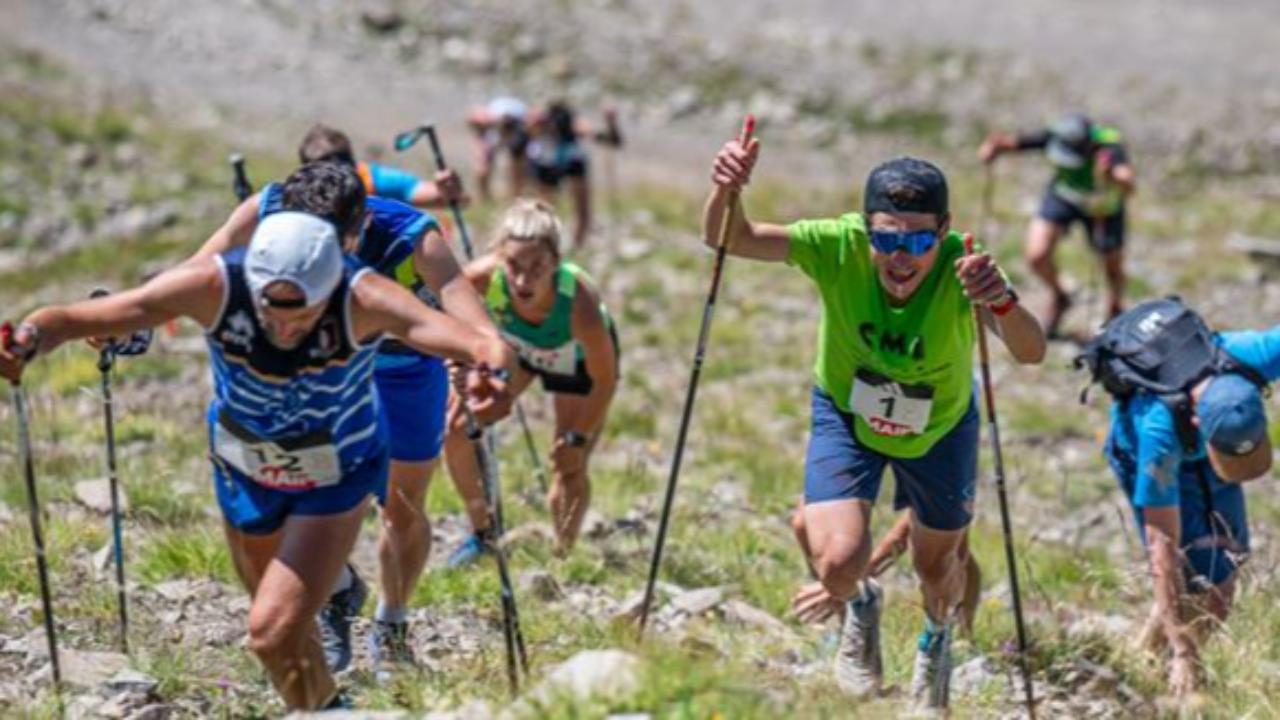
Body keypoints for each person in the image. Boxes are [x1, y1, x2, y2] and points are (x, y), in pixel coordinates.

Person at [0, 212, 510, 712]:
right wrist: (27, 340)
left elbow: (473, 338)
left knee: (269, 632)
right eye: (273, 307)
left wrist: (492, 376)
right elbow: (70, 319)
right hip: (245, 471)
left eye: (305, 310)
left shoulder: (365, 293)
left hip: (334, 473)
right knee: (287, 645)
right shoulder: (214, 285)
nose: (287, 325)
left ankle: (371, 636)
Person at [704, 141, 1046, 710]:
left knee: (937, 565)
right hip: (847, 414)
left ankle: (935, 642)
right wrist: (726, 187)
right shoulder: (835, 245)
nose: (900, 257)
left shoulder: (967, 268)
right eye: (885, 238)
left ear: (944, 232)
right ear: (865, 229)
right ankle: (860, 603)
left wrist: (1003, 302)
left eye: (917, 241)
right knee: (838, 565)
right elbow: (730, 237)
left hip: (939, 429)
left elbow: (1031, 353)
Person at [193, 161, 514, 678]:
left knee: (402, 507)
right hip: (323, 371)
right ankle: (337, 594)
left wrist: (489, 367)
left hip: (401, 370)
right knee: (294, 493)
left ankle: (392, 624)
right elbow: (196, 271)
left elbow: (470, 314)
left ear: (357, 229)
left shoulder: (412, 237)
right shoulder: (266, 211)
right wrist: (129, 331)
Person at [1082, 298, 1280, 697]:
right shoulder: (1158, 434)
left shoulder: (1255, 354)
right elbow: (1162, 549)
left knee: (1218, 582)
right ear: (1197, 423)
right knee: (1198, 583)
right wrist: (1185, 654)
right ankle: (1165, 669)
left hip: (1203, 449)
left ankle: (1139, 663)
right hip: (1140, 455)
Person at [445, 199, 619, 563]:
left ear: (557, 260)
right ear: (498, 256)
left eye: (537, 267)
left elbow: (605, 379)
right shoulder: (481, 277)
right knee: (458, 428)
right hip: (520, 350)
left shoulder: (579, 305)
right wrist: (461, 359)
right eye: (513, 265)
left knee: (567, 463)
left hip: (577, 365)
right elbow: (441, 312)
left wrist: (577, 437)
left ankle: (562, 557)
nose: (523, 280)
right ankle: (483, 533)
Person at [978, 114, 1136, 338]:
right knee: (1037, 255)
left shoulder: (1109, 145)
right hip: (1065, 196)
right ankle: (1060, 295)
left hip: (1102, 205)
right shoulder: (1057, 134)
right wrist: (996, 147)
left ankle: (1115, 306)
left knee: (1111, 265)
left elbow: (1129, 186)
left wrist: (1111, 175)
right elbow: (1017, 143)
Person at [524, 100, 623, 250]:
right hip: (554, 163)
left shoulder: (570, 125)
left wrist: (611, 121)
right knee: (547, 207)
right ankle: (551, 245)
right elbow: (611, 140)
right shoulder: (552, 124)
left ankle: (569, 246)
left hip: (562, 162)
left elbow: (611, 140)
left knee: (553, 208)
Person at [298, 123, 467, 210]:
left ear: (352, 164)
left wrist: (450, 189)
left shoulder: (379, 181)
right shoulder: (300, 192)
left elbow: (455, 200)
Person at [467, 96, 532, 203]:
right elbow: (473, 119)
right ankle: (485, 197)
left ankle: (516, 198)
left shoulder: (521, 124)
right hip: (494, 130)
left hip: (517, 133)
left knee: (517, 170)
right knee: (482, 168)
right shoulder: (488, 121)